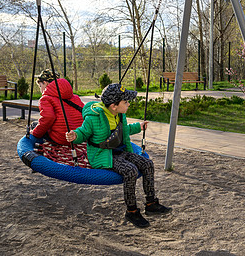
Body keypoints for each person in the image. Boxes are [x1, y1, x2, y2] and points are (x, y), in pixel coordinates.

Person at [65, 83, 171, 228]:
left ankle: (151, 203)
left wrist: (138, 127)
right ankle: (132, 211)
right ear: (114, 105)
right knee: (130, 171)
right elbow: (83, 133)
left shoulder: (119, 115)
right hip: (103, 155)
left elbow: (122, 131)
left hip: (120, 150)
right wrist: (74, 135)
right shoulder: (94, 118)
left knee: (148, 164)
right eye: (125, 102)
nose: (128, 104)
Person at [31, 69, 84, 146]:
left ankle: (40, 152)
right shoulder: (75, 97)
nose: (40, 89)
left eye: (40, 86)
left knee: (35, 126)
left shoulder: (46, 98)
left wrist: (35, 133)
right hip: (78, 136)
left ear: (45, 83)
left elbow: (48, 118)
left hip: (62, 138)